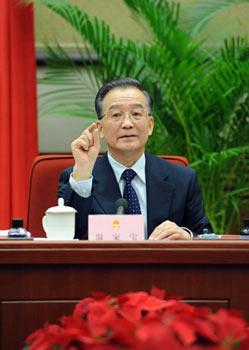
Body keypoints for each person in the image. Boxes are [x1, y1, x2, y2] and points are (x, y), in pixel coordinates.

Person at [58, 77, 211, 240]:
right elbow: (68, 238)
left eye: (136, 114)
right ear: (100, 129)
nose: (127, 123)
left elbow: (206, 235)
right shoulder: (79, 177)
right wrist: (83, 174)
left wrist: (186, 235)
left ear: (150, 125)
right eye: (116, 115)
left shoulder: (182, 179)